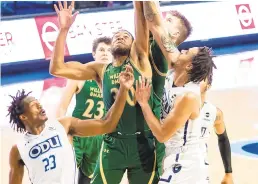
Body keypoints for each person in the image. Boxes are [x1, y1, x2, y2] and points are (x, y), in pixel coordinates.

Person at [50, 1, 159, 183]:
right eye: (116, 36)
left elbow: (140, 14)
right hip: (113, 143)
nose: (119, 37)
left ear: (134, 44)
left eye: (125, 36)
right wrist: (63, 30)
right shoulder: (100, 70)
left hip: (142, 143)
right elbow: (57, 68)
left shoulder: (139, 58)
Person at [7, 65, 134, 184]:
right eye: (34, 105)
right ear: (23, 117)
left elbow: (107, 124)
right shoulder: (18, 149)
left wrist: (123, 90)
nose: (40, 105)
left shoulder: (63, 125)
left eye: (38, 102)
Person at [135, 46, 216, 183]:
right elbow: (159, 29)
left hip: (186, 163)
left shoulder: (188, 97)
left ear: (189, 66)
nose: (182, 50)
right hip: (175, 158)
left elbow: (161, 134)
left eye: (187, 52)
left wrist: (144, 103)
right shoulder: (173, 73)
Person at [136, 1, 193, 175]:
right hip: (145, 128)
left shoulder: (163, 52)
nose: (162, 20)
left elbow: (152, 19)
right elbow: (146, 18)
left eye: (168, 20)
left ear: (175, 34)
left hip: (151, 134)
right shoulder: (155, 44)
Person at [56, 36, 112, 184]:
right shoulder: (80, 77)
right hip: (78, 134)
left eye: (109, 50)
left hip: (100, 136)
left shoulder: (116, 80)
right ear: (94, 54)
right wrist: (61, 132)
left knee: (86, 180)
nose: (105, 53)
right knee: (66, 175)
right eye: (101, 49)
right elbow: (62, 106)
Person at [200, 77, 234, 184]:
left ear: (208, 86)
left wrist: (228, 173)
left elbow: (223, 138)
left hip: (200, 171)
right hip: (174, 169)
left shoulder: (215, 113)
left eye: (201, 78)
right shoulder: (177, 106)